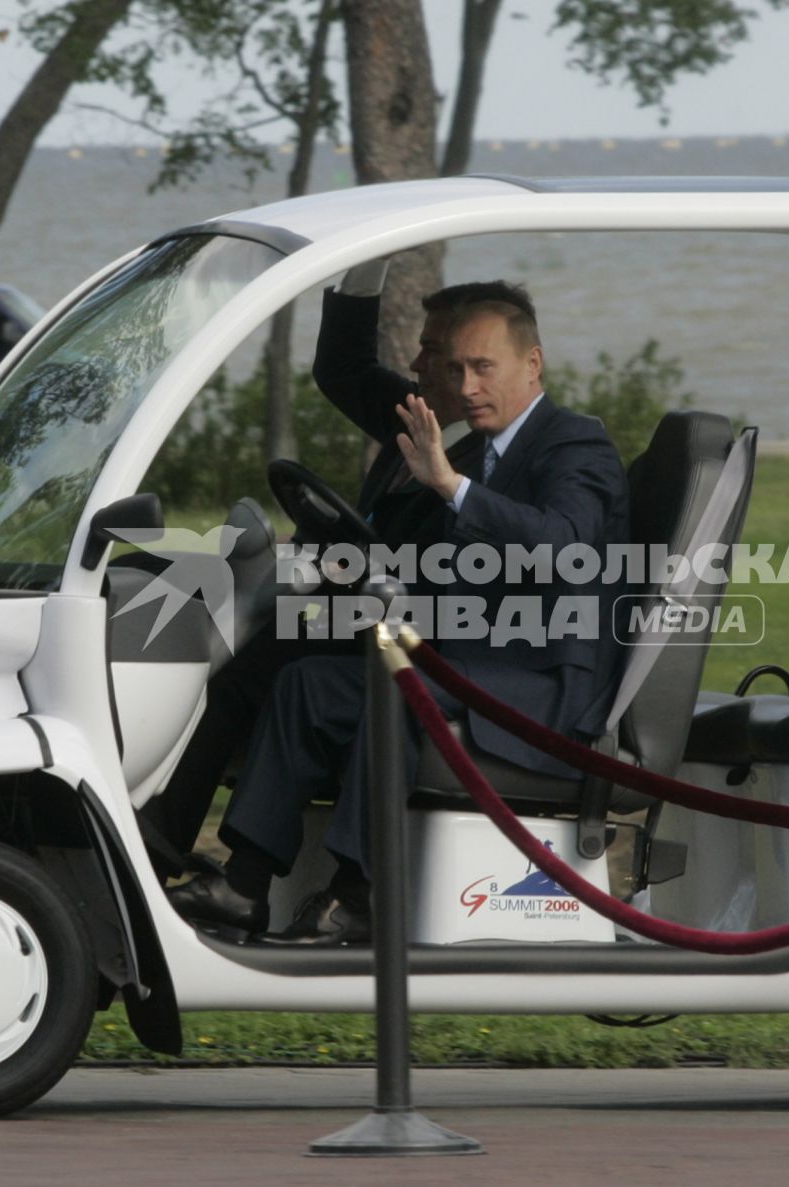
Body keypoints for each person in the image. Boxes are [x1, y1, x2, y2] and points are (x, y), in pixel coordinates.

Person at [167, 293, 630, 945]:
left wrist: (450, 487)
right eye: (455, 368)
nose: (466, 386)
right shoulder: (476, 448)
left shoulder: (575, 443)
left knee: (394, 684)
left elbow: (567, 547)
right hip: (471, 655)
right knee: (306, 679)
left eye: (483, 367)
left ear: (533, 363)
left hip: (537, 684)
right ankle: (244, 884)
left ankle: (359, 894)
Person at [134, 273, 528, 869]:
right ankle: (161, 833)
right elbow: (342, 367)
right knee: (208, 619)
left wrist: (341, 566)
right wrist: (367, 269)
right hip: (370, 608)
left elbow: (451, 567)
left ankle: (167, 842)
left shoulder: (496, 463)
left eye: (434, 351)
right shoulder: (416, 420)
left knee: (259, 664)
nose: (419, 363)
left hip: (422, 635)